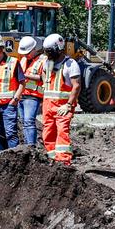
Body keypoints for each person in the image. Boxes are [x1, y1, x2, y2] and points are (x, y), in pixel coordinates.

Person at [40, 34, 82, 165]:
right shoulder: (47, 63)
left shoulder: (70, 64)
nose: (48, 54)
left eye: (50, 52)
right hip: (48, 106)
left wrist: (69, 105)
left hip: (63, 107)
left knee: (62, 133)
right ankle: (52, 158)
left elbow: (76, 86)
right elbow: (44, 80)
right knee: (47, 134)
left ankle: (63, 162)